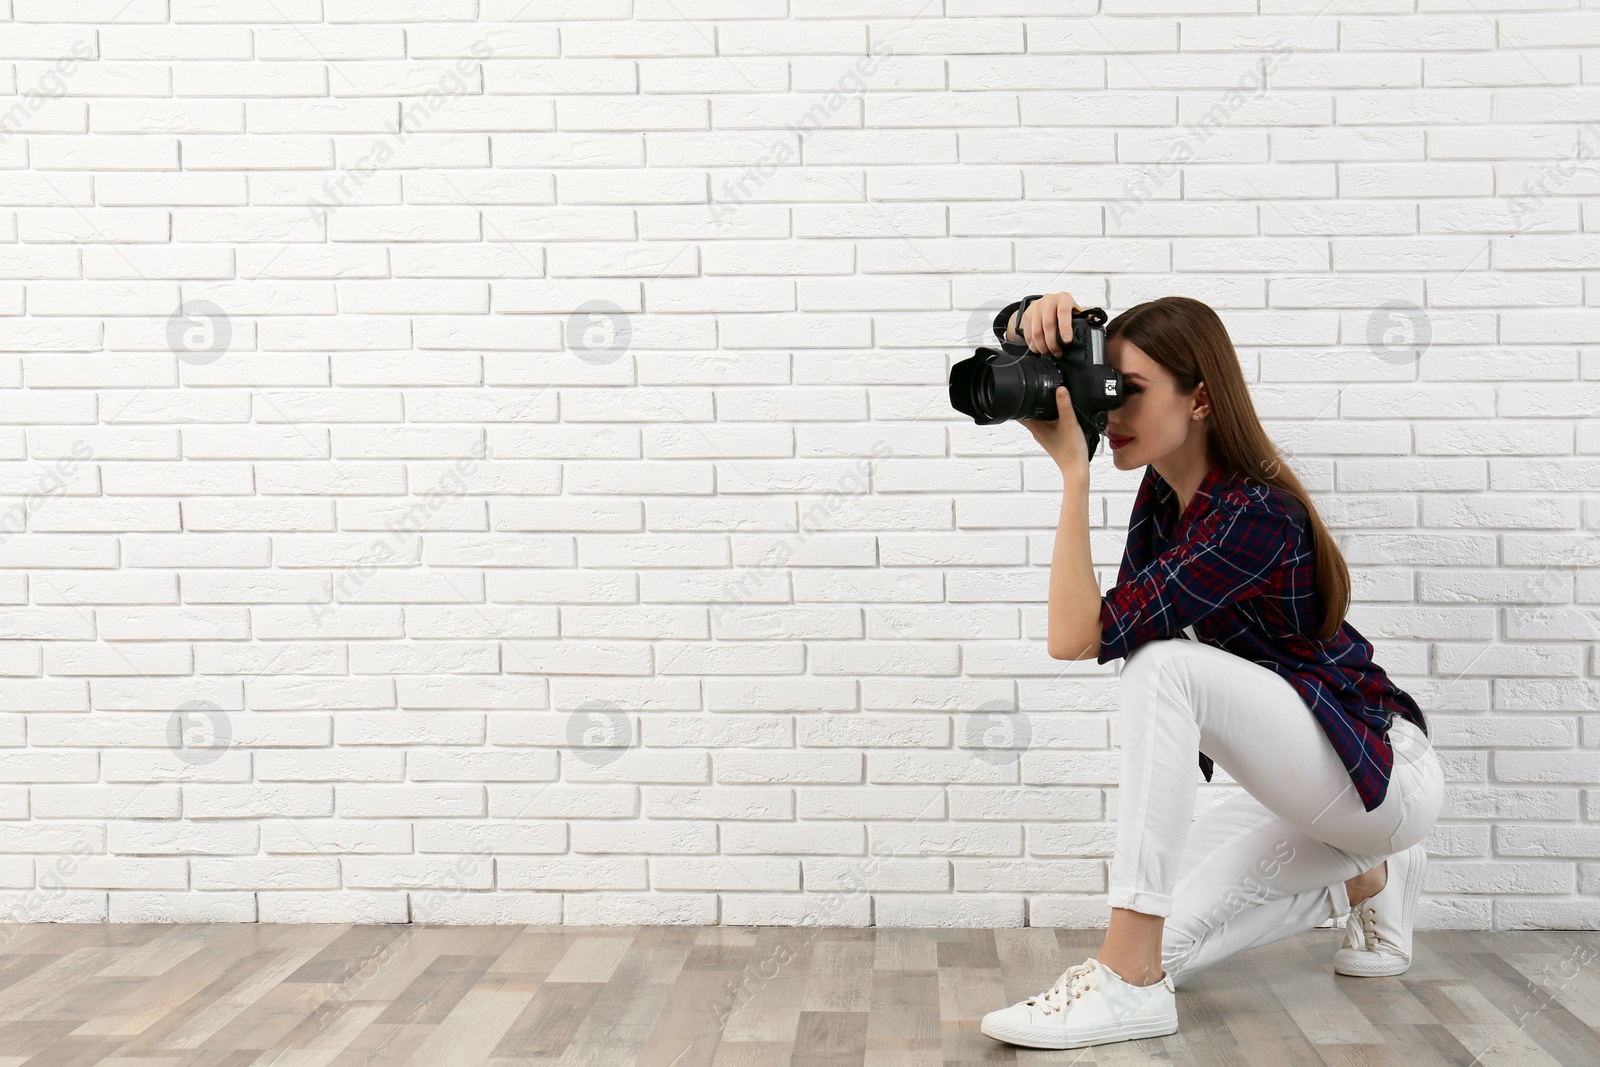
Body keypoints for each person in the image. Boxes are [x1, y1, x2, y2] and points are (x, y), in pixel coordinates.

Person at [977, 293, 1446, 1052]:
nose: (1109, 409)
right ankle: (1367, 878)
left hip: (1381, 772)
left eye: (1129, 390)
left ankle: (1127, 986)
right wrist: (1026, 320)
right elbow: (1079, 632)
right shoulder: (1163, 499)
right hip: (1312, 784)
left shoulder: (1253, 515)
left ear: (1199, 397)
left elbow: (1075, 635)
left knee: (1163, 665)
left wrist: (1073, 473)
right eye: (1104, 386)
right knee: (1175, 946)